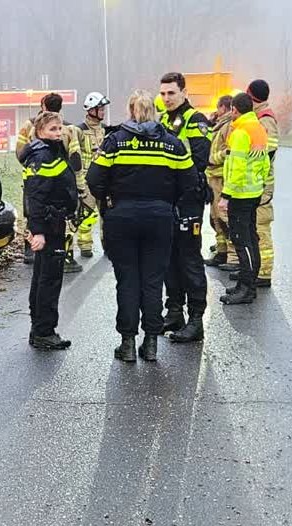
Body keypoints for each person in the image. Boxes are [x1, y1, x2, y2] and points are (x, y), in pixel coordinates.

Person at [86, 90, 197, 362]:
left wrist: (109, 200)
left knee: (127, 280)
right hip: (159, 219)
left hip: (122, 218)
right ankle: (150, 343)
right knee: (152, 280)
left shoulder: (115, 142)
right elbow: (190, 182)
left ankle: (127, 343)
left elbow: (94, 179)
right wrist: (168, 201)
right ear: (154, 111)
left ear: (131, 110)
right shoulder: (173, 144)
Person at [158, 72, 212, 344]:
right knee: (169, 257)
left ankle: (196, 320)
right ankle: (175, 311)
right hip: (167, 199)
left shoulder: (196, 120)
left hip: (188, 198)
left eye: (171, 93)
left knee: (189, 258)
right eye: (163, 93)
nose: (166, 98)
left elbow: (199, 162)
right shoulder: (163, 120)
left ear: (183, 92)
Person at [21, 111, 78, 350]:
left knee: (44, 277)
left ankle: (39, 329)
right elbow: (35, 197)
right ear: (39, 132)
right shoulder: (42, 155)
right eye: (52, 129)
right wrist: (39, 232)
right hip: (48, 225)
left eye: (59, 128)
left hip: (52, 222)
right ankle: (44, 331)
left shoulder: (50, 152)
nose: (58, 132)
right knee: (49, 279)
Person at [16, 93, 83, 269]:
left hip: (34, 178)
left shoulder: (28, 126)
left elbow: (20, 153)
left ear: (43, 105)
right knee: (61, 221)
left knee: (31, 210)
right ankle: (66, 255)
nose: (57, 133)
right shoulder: (69, 128)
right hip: (60, 183)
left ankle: (29, 248)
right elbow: (76, 159)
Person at [219, 93, 270, 304]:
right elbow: (265, 163)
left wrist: (226, 195)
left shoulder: (241, 132)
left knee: (242, 241)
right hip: (254, 192)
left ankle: (247, 289)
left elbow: (237, 167)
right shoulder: (258, 128)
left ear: (234, 110)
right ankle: (244, 284)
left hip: (240, 194)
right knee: (251, 238)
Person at [246, 79, 279, 288]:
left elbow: (269, 151)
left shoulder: (266, 119)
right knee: (254, 226)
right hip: (255, 182)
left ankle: (264, 273)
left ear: (252, 97)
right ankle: (255, 269)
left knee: (261, 227)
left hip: (262, 184)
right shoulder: (258, 117)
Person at [74, 91, 111, 260]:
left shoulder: (105, 130)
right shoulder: (79, 130)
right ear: (91, 110)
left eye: (103, 109)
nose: (103, 112)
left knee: (106, 214)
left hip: (104, 179)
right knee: (85, 214)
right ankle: (85, 245)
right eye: (100, 109)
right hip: (87, 179)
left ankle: (107, 245)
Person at [204, 95, 239, 269]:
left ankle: (233, 257)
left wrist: (211, 159)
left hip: (221, 176)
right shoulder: (219, 125)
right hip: (213, 176)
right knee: (215, 217)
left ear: (223, 108)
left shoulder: (229, 126)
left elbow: (229, 151)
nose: (216, 111)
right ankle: (222, 251)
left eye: (218, 108)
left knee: (225, 218)